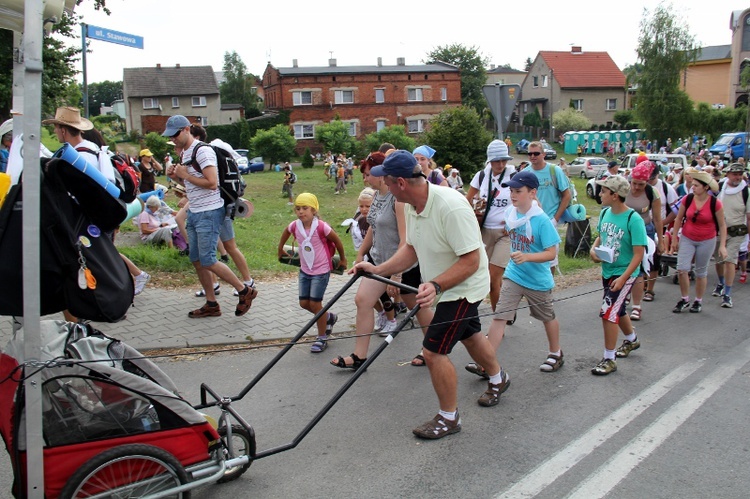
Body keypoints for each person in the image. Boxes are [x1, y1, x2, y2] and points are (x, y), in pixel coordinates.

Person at [354, 150, 506, 440]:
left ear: (400, 182)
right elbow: (410, 248)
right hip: (442, 283)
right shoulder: (410, 204)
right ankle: (499, 378)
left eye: (385, 179)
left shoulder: (450, 206)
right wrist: (378, 269)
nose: (381, 183)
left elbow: (471, 260)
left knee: (433, 352)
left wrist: (436, 285)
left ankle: (449, 417)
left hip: (464, 287)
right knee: (471, 334)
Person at [331, 154, 434, 369]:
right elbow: (373, 226)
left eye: (369, 174)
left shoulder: (398, 201)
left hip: (402, 265)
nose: (366, 179)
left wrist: (396, 274)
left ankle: (432, 348)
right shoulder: (377, 195)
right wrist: (361, 254)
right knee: (362, 300)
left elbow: (406, 240)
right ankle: (359, 356)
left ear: (383, 174)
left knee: (418, 308)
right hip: (379, 261)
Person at [468, 170, 563, 380]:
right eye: (511, 190)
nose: (512, 195)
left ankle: (556, 353)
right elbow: (511, 233)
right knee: (500, 315)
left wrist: (528, 257)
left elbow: (552, 253)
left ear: (532, 193)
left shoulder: (541, 221)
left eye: (518, 191)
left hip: (537, 279)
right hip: (514, 274)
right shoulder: (511, 213)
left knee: (547, 317)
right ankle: (486, 362)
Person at [163, 115, 257, 318]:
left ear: (187, 129)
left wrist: (185, 175)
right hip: (195, 212)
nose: (173, 139)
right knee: (196, 259)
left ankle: (245, 290)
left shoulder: (203, 151)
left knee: (208, 260)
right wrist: (176, 176)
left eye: (176, 134)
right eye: (170, 136)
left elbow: (212, 182)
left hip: (209, 212)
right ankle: (211, 304)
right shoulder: (186, 153)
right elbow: (192, 181)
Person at [589, 176, 647, 375]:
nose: (600, 195)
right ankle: (632, 340)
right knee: (617, 309)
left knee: (608, 313)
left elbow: (639, 254)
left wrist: (623, 278)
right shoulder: (605, 213)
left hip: (624, 273)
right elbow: (601, 236)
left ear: (615, 195)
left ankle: (609, 358)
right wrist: (593, 249)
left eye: (603, 191)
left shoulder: (633, 219)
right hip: (608, 270)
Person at [277, 193, 346, 353]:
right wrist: (280, 248)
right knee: (304, 303)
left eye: (305, 208)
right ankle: (328, 317)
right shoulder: (295, 225)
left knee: (315, 304)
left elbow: (337, 241)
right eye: (298, 208)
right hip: (305, 270)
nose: (301, 212)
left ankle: (322, 337)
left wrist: (343, 259)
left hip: (321, 271)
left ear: (314, 210)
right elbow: (286, 232)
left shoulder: (321, 226)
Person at [465, 139, 516, 315]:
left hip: (506, 233)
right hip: (485, 231)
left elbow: (529, 202)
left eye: (504, 160)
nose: (500, 164)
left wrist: (514, 224)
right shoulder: (481, 176)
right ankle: (505, 307)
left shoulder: (514, 175)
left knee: (494, 277)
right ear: (489, 160)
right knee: (487, 278)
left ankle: (500, 319)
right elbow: (466, 200)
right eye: (496, 160)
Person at [670, 168, 727, 313]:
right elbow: (678, 218)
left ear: (706, 187)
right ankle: (684, 298)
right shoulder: (687, 199)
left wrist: (723, 246)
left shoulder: (715, 203)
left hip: (707, 239)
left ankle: (698, 300)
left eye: (696, 185)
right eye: (693, 185)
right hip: (688, 237)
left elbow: (722, 225)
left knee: (701, 271)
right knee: (682, 268)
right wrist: (674, 238)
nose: (693, 188)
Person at [624, 162, 663, 321]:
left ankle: (637, 306)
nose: (636, 188)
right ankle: (624, 295)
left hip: (644, 231)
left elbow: (658, 219)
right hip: (625, 231)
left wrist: (661, 240)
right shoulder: (623, 189)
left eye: (641, 184)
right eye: (634, 183)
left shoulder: (652, 193)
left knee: (638, 270)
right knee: (624, 266)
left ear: (646, 182)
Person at [526, 140, 571, 273]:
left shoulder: (554, 170)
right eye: (530, 154)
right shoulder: (526, 172)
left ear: (543, 154)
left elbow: (566, 195)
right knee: (532, 257)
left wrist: (555, 219)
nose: (533, 156)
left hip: (550, 220)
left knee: (550, 260)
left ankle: (548, 289)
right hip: (531, 221)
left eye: (536, 153)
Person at [712, 163, 750, 308]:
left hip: (736, 232)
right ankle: (721, 282)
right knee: (719, 260)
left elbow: (749, 217)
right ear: (727, 174)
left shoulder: (746, 192)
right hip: (719, 231)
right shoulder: (720, 188)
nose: (738, 177)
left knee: (730, 260)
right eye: (735, 174)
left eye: (740, 174)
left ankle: (727, 294)